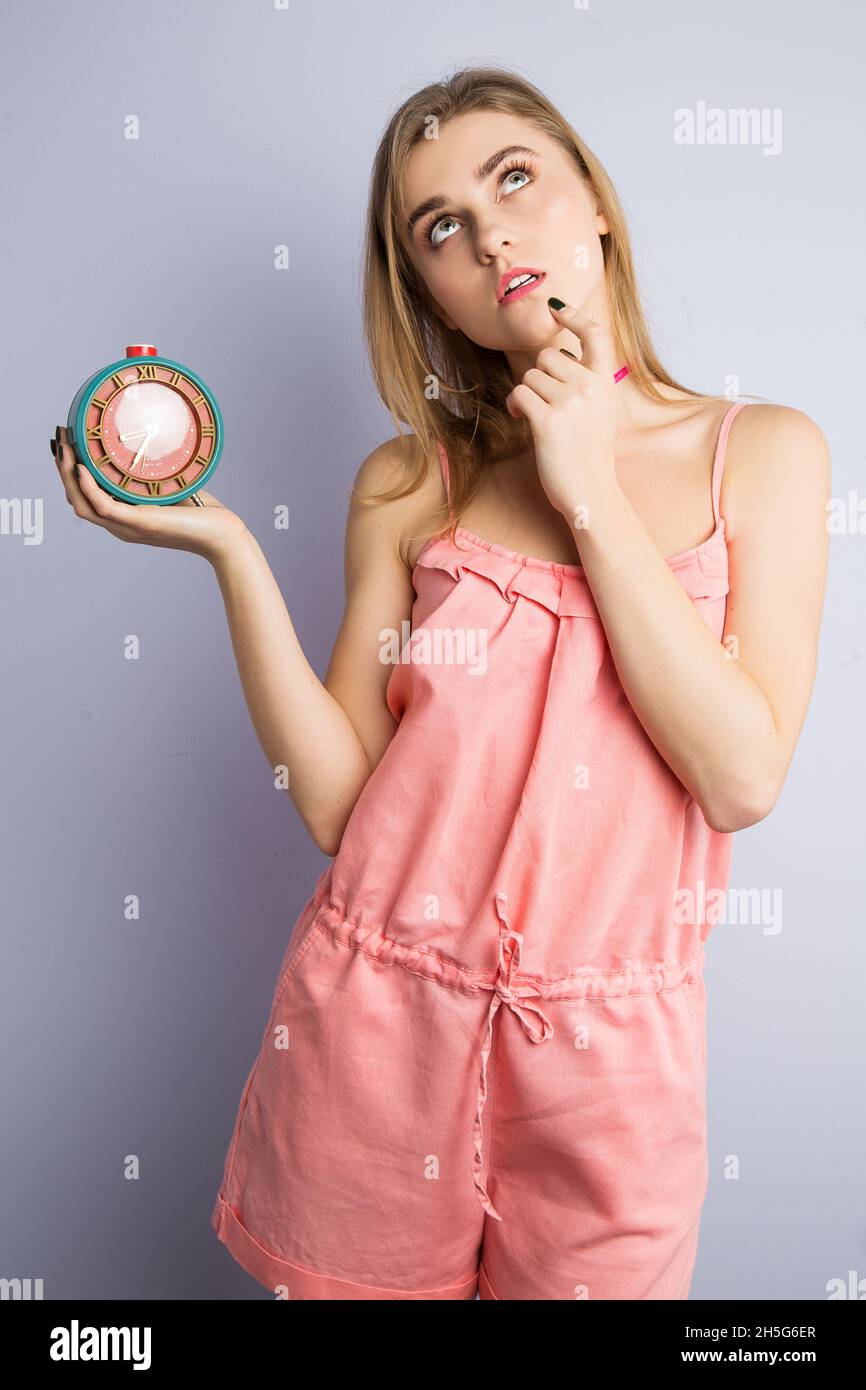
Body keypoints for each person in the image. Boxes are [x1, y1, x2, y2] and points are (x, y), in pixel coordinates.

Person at [51, 66, 830, 1301]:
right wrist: (230, 548)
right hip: (368, 1033)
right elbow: (334, 808)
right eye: (441, 228)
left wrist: (585, 485)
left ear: (596, 203)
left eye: (513, 177)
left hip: (609, 1070)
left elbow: (737, 775)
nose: (490, 232)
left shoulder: (766, 454)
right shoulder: (406, 486)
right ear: (437, 300)